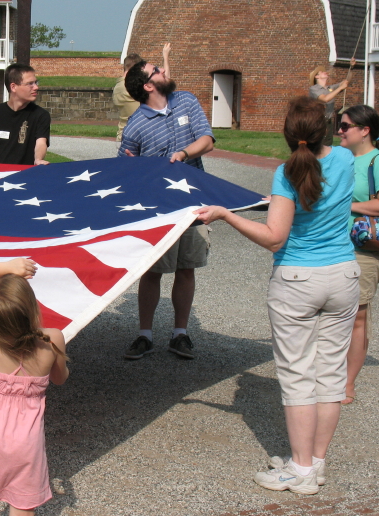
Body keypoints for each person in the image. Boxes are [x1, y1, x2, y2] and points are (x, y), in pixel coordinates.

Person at [196, 96, 359, 495]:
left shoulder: (287, 174)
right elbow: (317, 197)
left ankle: (300, 470)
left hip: (299, 280)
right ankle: (315, 463)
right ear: (325, 130)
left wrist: (226, 214)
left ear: (286, 134)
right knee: (331, 374)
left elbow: (274, 238)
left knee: (298, 377)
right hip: (343, 274)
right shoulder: (344, 160)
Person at [118, 57, 215, 360]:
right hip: (158, 209)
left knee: (186, 268)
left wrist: (184, 153)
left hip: (193, 202)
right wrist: (131, 168)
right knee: (153, 272)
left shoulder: (185, 100)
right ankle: (144, 335)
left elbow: (207, 140)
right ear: (148, 85)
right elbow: (123, 169)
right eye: (156, 71)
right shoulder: (135, 125)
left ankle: (180, 334)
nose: (163, 71)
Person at [0, 259, 69, 516]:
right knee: (23, 506)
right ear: (32, 308)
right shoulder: (53, 339)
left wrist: (10, 266)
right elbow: (60, 378)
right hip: (26, 441)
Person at [337, 105, 379, 405]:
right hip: (333, 247)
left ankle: (347, 384)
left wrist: (344, 206)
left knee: (357, 317)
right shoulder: (339, 159)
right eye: (339, 124)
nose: (339, 130)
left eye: (346, 126)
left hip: (364, 249)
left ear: (365, 131)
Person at [113, 44, 170, 143]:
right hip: (138, 137)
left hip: (123, 135)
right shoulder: (129, 86)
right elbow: (165, 85)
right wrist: (165, 57)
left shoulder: (118, 86)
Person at [308, 58, 356, 145]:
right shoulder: (314, 89)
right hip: (317, 122)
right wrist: (340, 88)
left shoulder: (330, 88)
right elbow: (325, 99)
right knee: (318, 145)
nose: (325, 72)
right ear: (316, 77)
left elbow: (346, 82)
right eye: (321, 72)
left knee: (328, 144)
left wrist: (351, 68)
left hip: (328, 121)